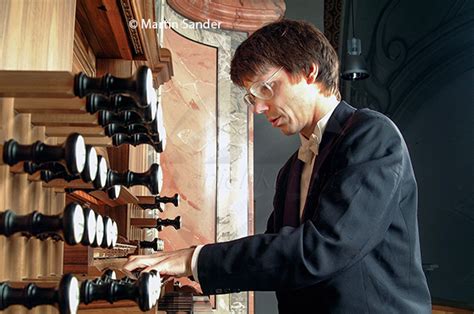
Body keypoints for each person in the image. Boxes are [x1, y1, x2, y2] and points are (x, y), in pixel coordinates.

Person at [123, 19, 432, 313]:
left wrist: (195, 260)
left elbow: (322, 250)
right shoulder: (291, 170)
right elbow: (277, 256)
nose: (258, 108)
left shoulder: (372, 135)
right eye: (251, 96)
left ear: (309, 72)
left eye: (266, 89)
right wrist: (196, 280)